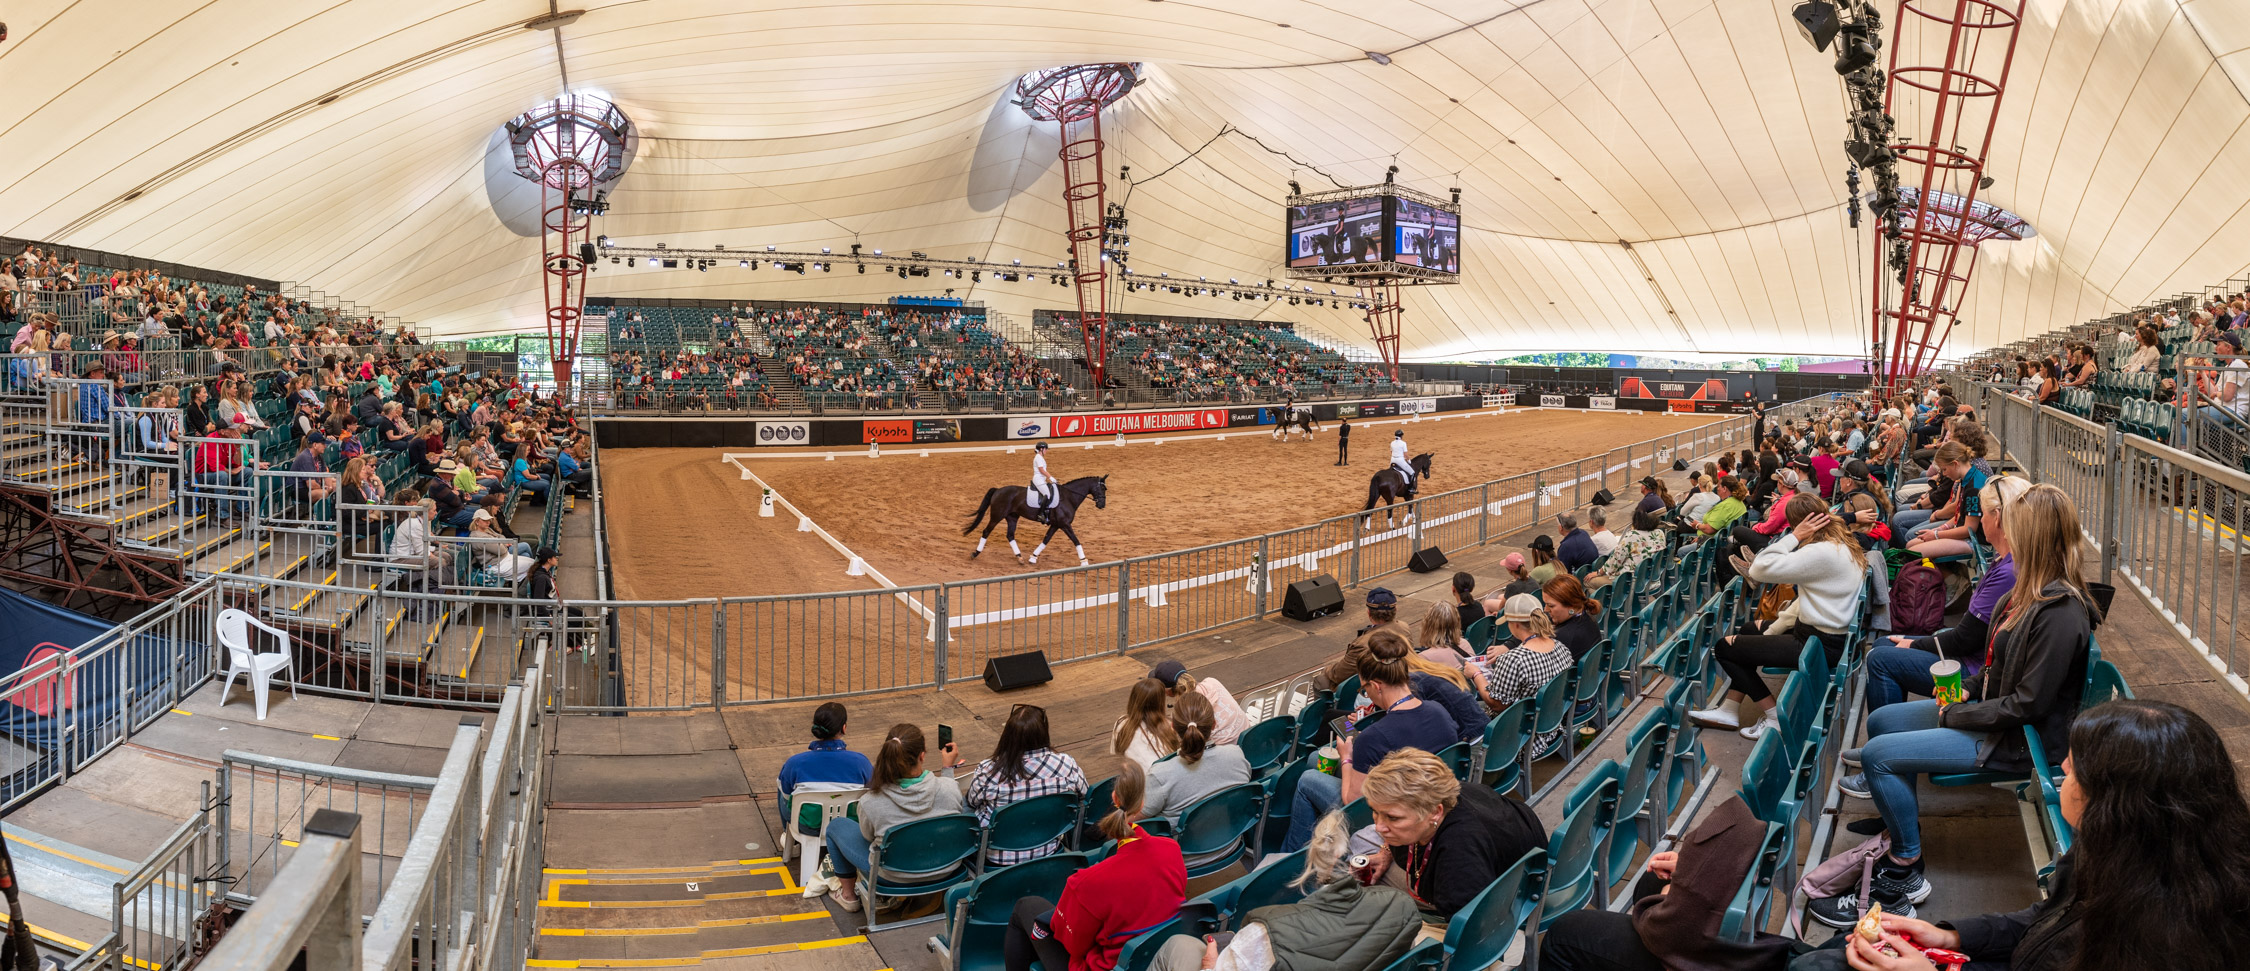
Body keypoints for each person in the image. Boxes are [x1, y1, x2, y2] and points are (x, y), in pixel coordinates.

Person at [1811, 483, 2099, 924]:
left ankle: (1905, 868)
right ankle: (1900, 829)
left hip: (2014, 739)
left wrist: (1956, 711)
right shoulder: (2030, 593)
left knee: (1878, 755)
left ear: (2032, 535)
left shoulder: (2061, 613)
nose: (2000, 529)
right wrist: (1965, 689)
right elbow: (1997, 667)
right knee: (1885, 720)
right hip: (1990, 713)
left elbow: (2028, 706)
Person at [1793, 700, 2250, 971]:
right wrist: (1949, 937)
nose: (2063, 770)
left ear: (2114, 802)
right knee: (1832, 955)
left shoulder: (2169, 944)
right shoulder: (2120, 849)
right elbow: (2047, 918)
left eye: (2076, 768)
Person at [1540, 796, 1795, 971]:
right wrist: (1688, 869)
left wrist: (1674, 891)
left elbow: (1667, 935)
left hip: (1696, 956)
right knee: (1653, 878)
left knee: (1563, 934)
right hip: (1722, 947)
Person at [1143, 811, 1421, 971]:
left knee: (1178, 945)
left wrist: (1210, 963)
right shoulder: (1401, 907)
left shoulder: (1264, 930)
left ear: (1309, 865)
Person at [1691, 494, 1866, 740]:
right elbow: (1807, 598)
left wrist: (1794, 537)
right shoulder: (1841, 544)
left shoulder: (1820, 552)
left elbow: (1759, 569)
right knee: (1751, 629)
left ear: (1798, 525)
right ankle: (1730, 708)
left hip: (1816, 645)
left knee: (1724, 648)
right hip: (1824, 635)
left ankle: (1775, 716)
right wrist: (1772, 630)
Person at [1863, 476, 2027, 714]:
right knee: (1883, 644)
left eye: (1983, 514)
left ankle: (1887, 741)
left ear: (1998, 517)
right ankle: (1889, 732)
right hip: (1976, 658)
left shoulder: (2008, 572)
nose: (1981, 521)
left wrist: (1915, 643)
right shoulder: (2008, 560)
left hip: (1973, 671)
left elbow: (1964, 639)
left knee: (1879, 659)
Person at [1283, 629, 1458, 853]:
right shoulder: (1438, 711)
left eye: (1364, 689)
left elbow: (1351, 800)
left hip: (1385, 812)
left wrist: (1347, 758)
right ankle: (1326, 839)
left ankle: (1291, 855)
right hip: (1425, 797)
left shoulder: (1373, 737)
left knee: (1307, 779)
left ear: (1376, 686)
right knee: (1315, 758)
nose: (1367, 694)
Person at [1004, 760, 1185, 971]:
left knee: (1025, 907)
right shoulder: (1171, 849)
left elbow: (1072, 946)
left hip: (1102, 966)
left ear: (1114, 798)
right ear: (1142, 804)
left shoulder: (1085, 882)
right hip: (1152, 954)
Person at [1357, 747, 1546, 922]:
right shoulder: (1447, 792)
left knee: (1361, 862)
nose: (1380, 826)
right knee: (1364, 837)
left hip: (1505, 905)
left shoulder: (1459, 860)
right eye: (1375, 811)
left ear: (1435, 812)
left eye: (1393, 818)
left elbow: (1470, 931)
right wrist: (1385, 852)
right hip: (1511, 873)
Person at [824, 723, 966, 913]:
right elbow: (952, 800)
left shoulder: (870, 801)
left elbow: (867, 836)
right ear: (922, 755)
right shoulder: (950, 789)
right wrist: (947, 768)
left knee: (836, 827)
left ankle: (848, 896)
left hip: (893, 875)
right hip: (947, 867)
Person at [965, 703, 1086, 865]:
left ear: (1007, 735)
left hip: (997, 856)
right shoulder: (1066, 764)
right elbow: (1084, 793)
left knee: (964, 806)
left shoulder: (988, 769)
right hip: (1048, 847)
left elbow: (972, 801)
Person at [1468, 594, 1573, 756]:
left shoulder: (1513, 659)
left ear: (1515, 624)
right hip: (1552, 727)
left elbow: (1497, 704)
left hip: (1523, 739)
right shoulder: (1560, 647)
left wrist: (1476, 674)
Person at [1142, 692, 1252, 823]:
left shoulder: (1159, 775)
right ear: (1214, 724)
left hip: (1178, 844)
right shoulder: (1236, 755)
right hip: (1234, 842)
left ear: (1173, 727)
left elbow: (1131, 821)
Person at [776, 701, 872, 826]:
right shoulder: (861, 762)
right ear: (844, 728)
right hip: (848, 824)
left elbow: (787, 795)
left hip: (807, 826)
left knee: (782, 786)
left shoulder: (795, 762)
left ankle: (787, 832)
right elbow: (873, 791)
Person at [1902, 442, 1988, 559]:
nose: (1944, 474)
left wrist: (1936, 535)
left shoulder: (1974, 487)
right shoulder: (1967, 478)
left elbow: (1969, 529)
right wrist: (1943, 528)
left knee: (1914, 552)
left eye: (1944, 469)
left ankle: (1954, 577)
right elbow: (1961, 514)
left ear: (1955, 464)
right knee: (1910, 544)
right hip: (1964, 533)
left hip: (1976, 542)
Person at [1317, 587, 1407, 691]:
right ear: (1395, 609)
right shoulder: (1404, 627)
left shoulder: (1362, 644)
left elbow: (1338, 674)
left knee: (1321, 680)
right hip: (1397, 677)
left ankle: (1326, 707)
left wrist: (1327, 669)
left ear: (1369, 613)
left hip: (1372, 686)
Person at [1148, 660, 1248, 746]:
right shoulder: (1212, 681)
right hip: (1248, 736)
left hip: (1224, 750)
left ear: (1168, 690)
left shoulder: (1185, 709)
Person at [1589, 507, 1667, 589]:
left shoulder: (1632, 536)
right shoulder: (1660, 533)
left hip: (1631, 582)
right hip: (1653, 579)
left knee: (1588, 582)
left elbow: (1616, 560)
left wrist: (1598, 572)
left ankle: (1603, 601)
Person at [1112, 677, 1178, 770]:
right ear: (1160, 703)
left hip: (1135, 780)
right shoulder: (1168, 726)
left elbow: (1116, 754)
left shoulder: (1121, 723)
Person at [1542, 573, 1604, 663]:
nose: (1546, 610)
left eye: (1550, 606)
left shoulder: (1562, 638)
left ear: (1571, 605)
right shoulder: (1587, 618)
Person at [1030, 441, 1058, 512]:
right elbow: (1041, 470)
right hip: (1038, 479)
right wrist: (1051, 477)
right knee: (1047, 495)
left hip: (1041, 479)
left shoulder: (1040, 457)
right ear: (1041, 449)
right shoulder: (1038, 457)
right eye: (1045, 449)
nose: (1046, 451)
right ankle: (1041, 514)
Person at [1388, 429, 1417, 496]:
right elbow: (1405, 454)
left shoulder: (1392, 443)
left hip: (1392, 460)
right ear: (1401, 436)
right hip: (1400, 460)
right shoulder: (1403, 443)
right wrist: (1409, 460)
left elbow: (1391, 452)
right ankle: (1411, 488)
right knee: (1412, 472)